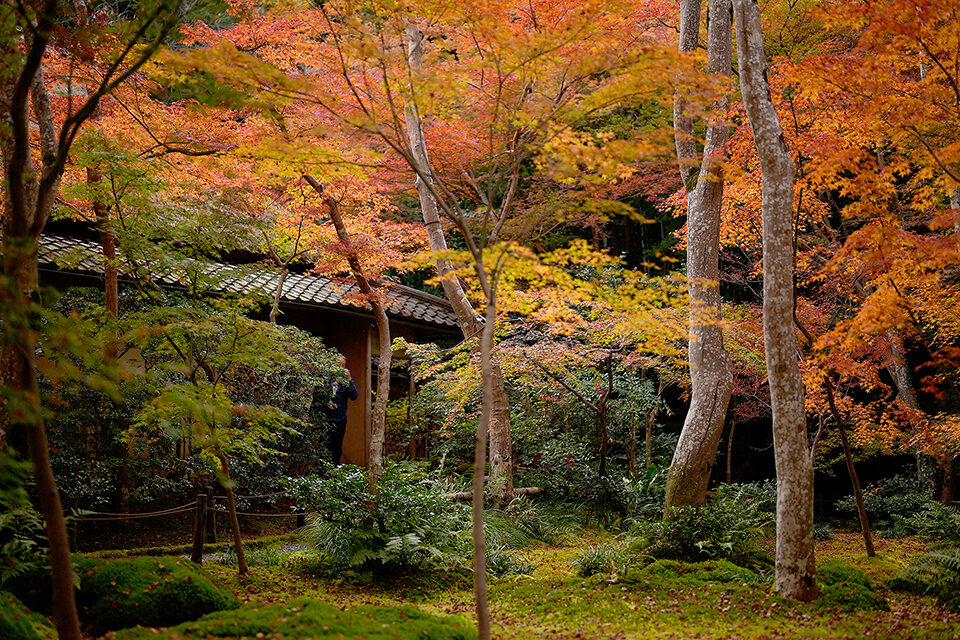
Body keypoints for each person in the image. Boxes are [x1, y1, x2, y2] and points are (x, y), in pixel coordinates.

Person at [321, 355, 358, 466]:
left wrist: (350, 380)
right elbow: (317, 394)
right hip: (326, 417)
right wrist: (326, 402)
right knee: (327, 444)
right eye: (338, 364)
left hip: (340, 417)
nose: (340, 367)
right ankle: (324, 471)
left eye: (343, 365)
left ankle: (334, 470)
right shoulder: (325, 377)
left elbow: (354, 396)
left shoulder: (345, 380)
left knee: (337, 447)